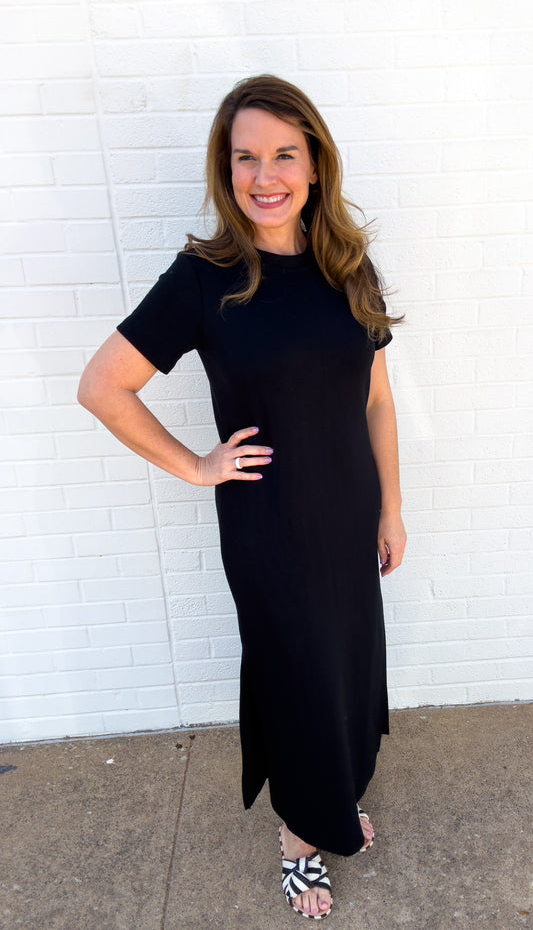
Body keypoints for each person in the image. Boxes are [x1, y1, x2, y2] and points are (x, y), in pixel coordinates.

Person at [78, 73, 406, 921]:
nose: (265, 175)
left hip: (347, 515)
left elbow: (375, 399)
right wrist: (196, 465)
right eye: (245, 157)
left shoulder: (347, 265)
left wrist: (390, 507)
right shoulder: (204, 278)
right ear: (225, 171)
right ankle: (300, 838)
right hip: (270, 528)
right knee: (296, 676)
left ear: (314, 164)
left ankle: (333, 797)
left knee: (347, 666)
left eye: (284, 154)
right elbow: (103, 386)